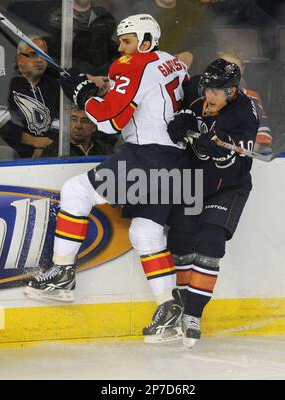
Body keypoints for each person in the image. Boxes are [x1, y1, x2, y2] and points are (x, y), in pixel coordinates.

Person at [24, 14, 189, 343]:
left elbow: (109, 122)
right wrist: (97, 87)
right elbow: (140, 100)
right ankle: (170, 309)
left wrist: (82, 93)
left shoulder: (132, 65)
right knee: (146, 235)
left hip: (146, 156)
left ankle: (62, 275)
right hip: (175, 160)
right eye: (121, 41)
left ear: (145, 41)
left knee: (76, 191)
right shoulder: (171, 61)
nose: (121, 47)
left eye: (127, 41)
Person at [166, 58, 259, 347]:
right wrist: (180, 122)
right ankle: (181, 302)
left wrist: (220, 153)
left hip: (228, 187)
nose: (210, 96)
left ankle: (193, 314)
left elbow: (234, 165)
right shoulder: (200, 95)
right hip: (195, 184)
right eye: (208, 89)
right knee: (180, 240)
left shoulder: (245, 113)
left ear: (232, 91)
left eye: (218, 91)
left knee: (210, 242)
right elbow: (185, 115)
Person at [0, 37, 60, 158]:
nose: (40, 60)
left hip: (49, 152)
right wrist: (34, 141)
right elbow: (2, 123)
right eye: (33, 55)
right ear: (19, 59)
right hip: (11, 156)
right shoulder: (5, 83)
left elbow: (59, 120)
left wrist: (43, 148)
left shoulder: (55, 85)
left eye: (44, 55)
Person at [128, 0, 216, 74]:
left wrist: (192, 55)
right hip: (149, 80)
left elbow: (209, 44)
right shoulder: (137, 13)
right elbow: (126, 51)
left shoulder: (194, 13)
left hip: (186, 79)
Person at [47, 0, 119, 76]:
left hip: (102, 75)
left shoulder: (105, 18)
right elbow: (57, 49)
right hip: (73, 76)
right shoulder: (58, 17)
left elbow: (105, 46)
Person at [42, 105, 116, 157]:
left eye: (84, 121)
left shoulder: (104, 150)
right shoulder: (54, 150)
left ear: (93, 127)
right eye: (74, 120)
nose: (78, 126)